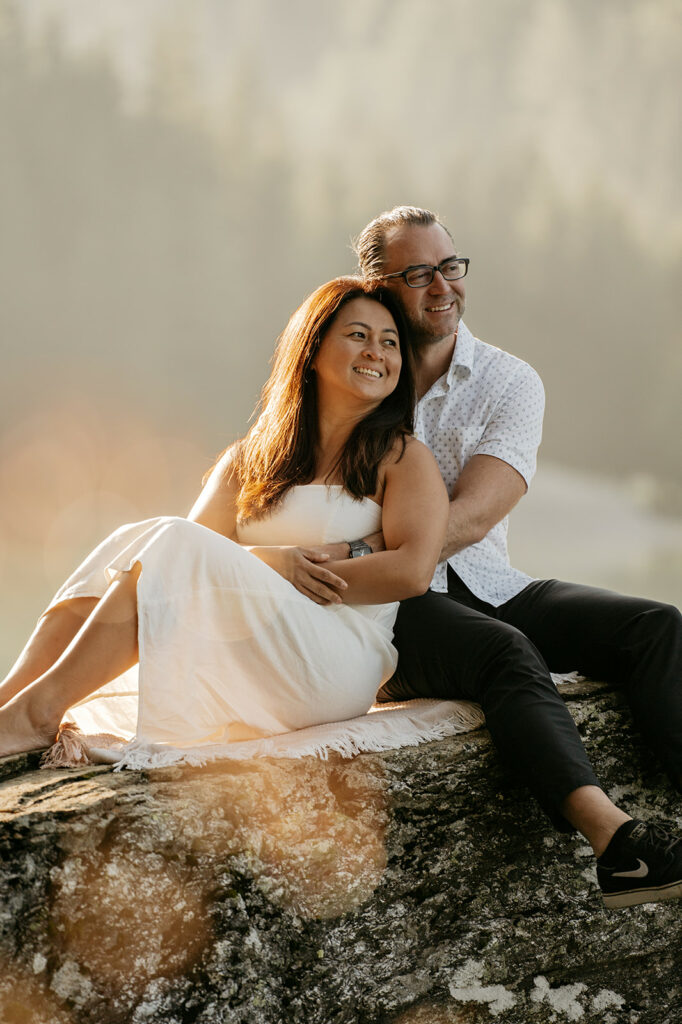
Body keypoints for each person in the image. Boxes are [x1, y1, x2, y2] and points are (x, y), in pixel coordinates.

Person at [328, 205, 682, 911]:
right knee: (507, 651)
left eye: (451, 267)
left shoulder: (509, 381)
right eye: (418, 273)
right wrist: (369, 566)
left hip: (486, 580)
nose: (442, 286)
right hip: (384, 601)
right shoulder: (359, 365)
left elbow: (480, 512)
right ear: (377, 285)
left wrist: (387, 548)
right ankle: (618, 850)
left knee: (657, 624)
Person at [0, 276, 448, 767]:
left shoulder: (403, 458)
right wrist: (266, 563)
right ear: (313, 350)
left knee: (165, 539)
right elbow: (179, 567)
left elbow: (411, 571)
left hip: (331, 658)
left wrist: (280, 573)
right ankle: (12, 700)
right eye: (358, 335)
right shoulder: (249, 460)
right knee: (131, 541)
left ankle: (41, 711)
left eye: (390, 343)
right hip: (246, 643)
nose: (377, 353)